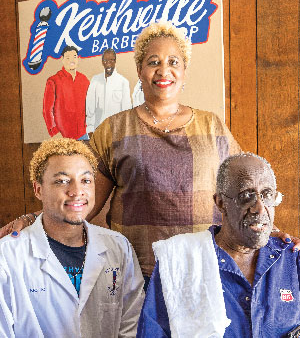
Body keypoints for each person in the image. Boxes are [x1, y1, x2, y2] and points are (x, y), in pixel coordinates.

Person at [1, 22, 297, 286]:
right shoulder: (114, 129)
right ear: (140, 71)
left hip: (206, 267)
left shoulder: (212, 126)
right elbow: (83, 200)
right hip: (136, 273)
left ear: (184, 72)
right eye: (153, 62)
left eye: (173, 62)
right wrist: (33, 219)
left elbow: (245, 192)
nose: (163, 70)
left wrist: (268, 230)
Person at [137, 153, 300, 337]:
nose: (260, 208)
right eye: (246, 196)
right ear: (220, 202)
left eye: (267, 195)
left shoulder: (292, 258)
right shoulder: (180, 260)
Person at [0, 138, 144, 337]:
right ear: (38, 190)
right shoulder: (7, 256)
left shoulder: (118, 247)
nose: (77, 192)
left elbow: (131, 323)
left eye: (85, 180)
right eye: (62, 181)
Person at [43, 45, 90, 140]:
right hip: (63, 136)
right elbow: (47, 110)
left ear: (78, 59)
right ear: (62, 59)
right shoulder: (53, 81)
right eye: (67, 57)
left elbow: (90, 105)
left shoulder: (84, 79)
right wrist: (55, 131)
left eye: (74, 57)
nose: (71, 60)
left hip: (84, 133)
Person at [85, 48, 132, 136]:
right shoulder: (95, 80)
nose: (108, 63)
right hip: (97, 132)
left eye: (111, 60)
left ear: (115, 61)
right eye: (105, 60)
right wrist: (90, 130)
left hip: (116, 133)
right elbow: (90, 108)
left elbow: (126, 111)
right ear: (102, 61)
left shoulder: (123, 82)